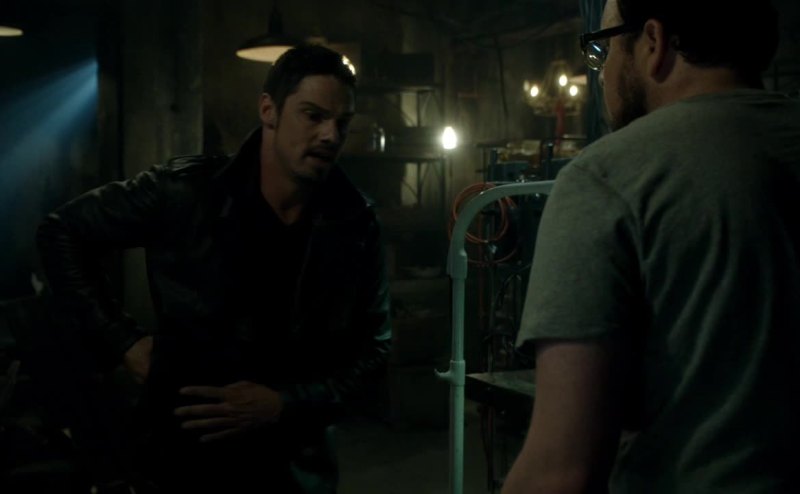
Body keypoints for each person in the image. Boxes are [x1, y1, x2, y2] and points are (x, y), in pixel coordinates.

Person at [37, 44, 392, 493]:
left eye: (342, 123)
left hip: (295, 467)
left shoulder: (355, 222)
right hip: (183, 459)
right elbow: (61, 231)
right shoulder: (188, 193)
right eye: (313, 115)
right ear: (269, 110)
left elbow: (374, 353)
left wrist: (284, 404)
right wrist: (122, 341)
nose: (329, 135)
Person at [502, 0, 799, 492]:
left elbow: (561, 471)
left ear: (654, 43)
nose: (600, 72)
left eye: (605, 49)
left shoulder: (606, 178)